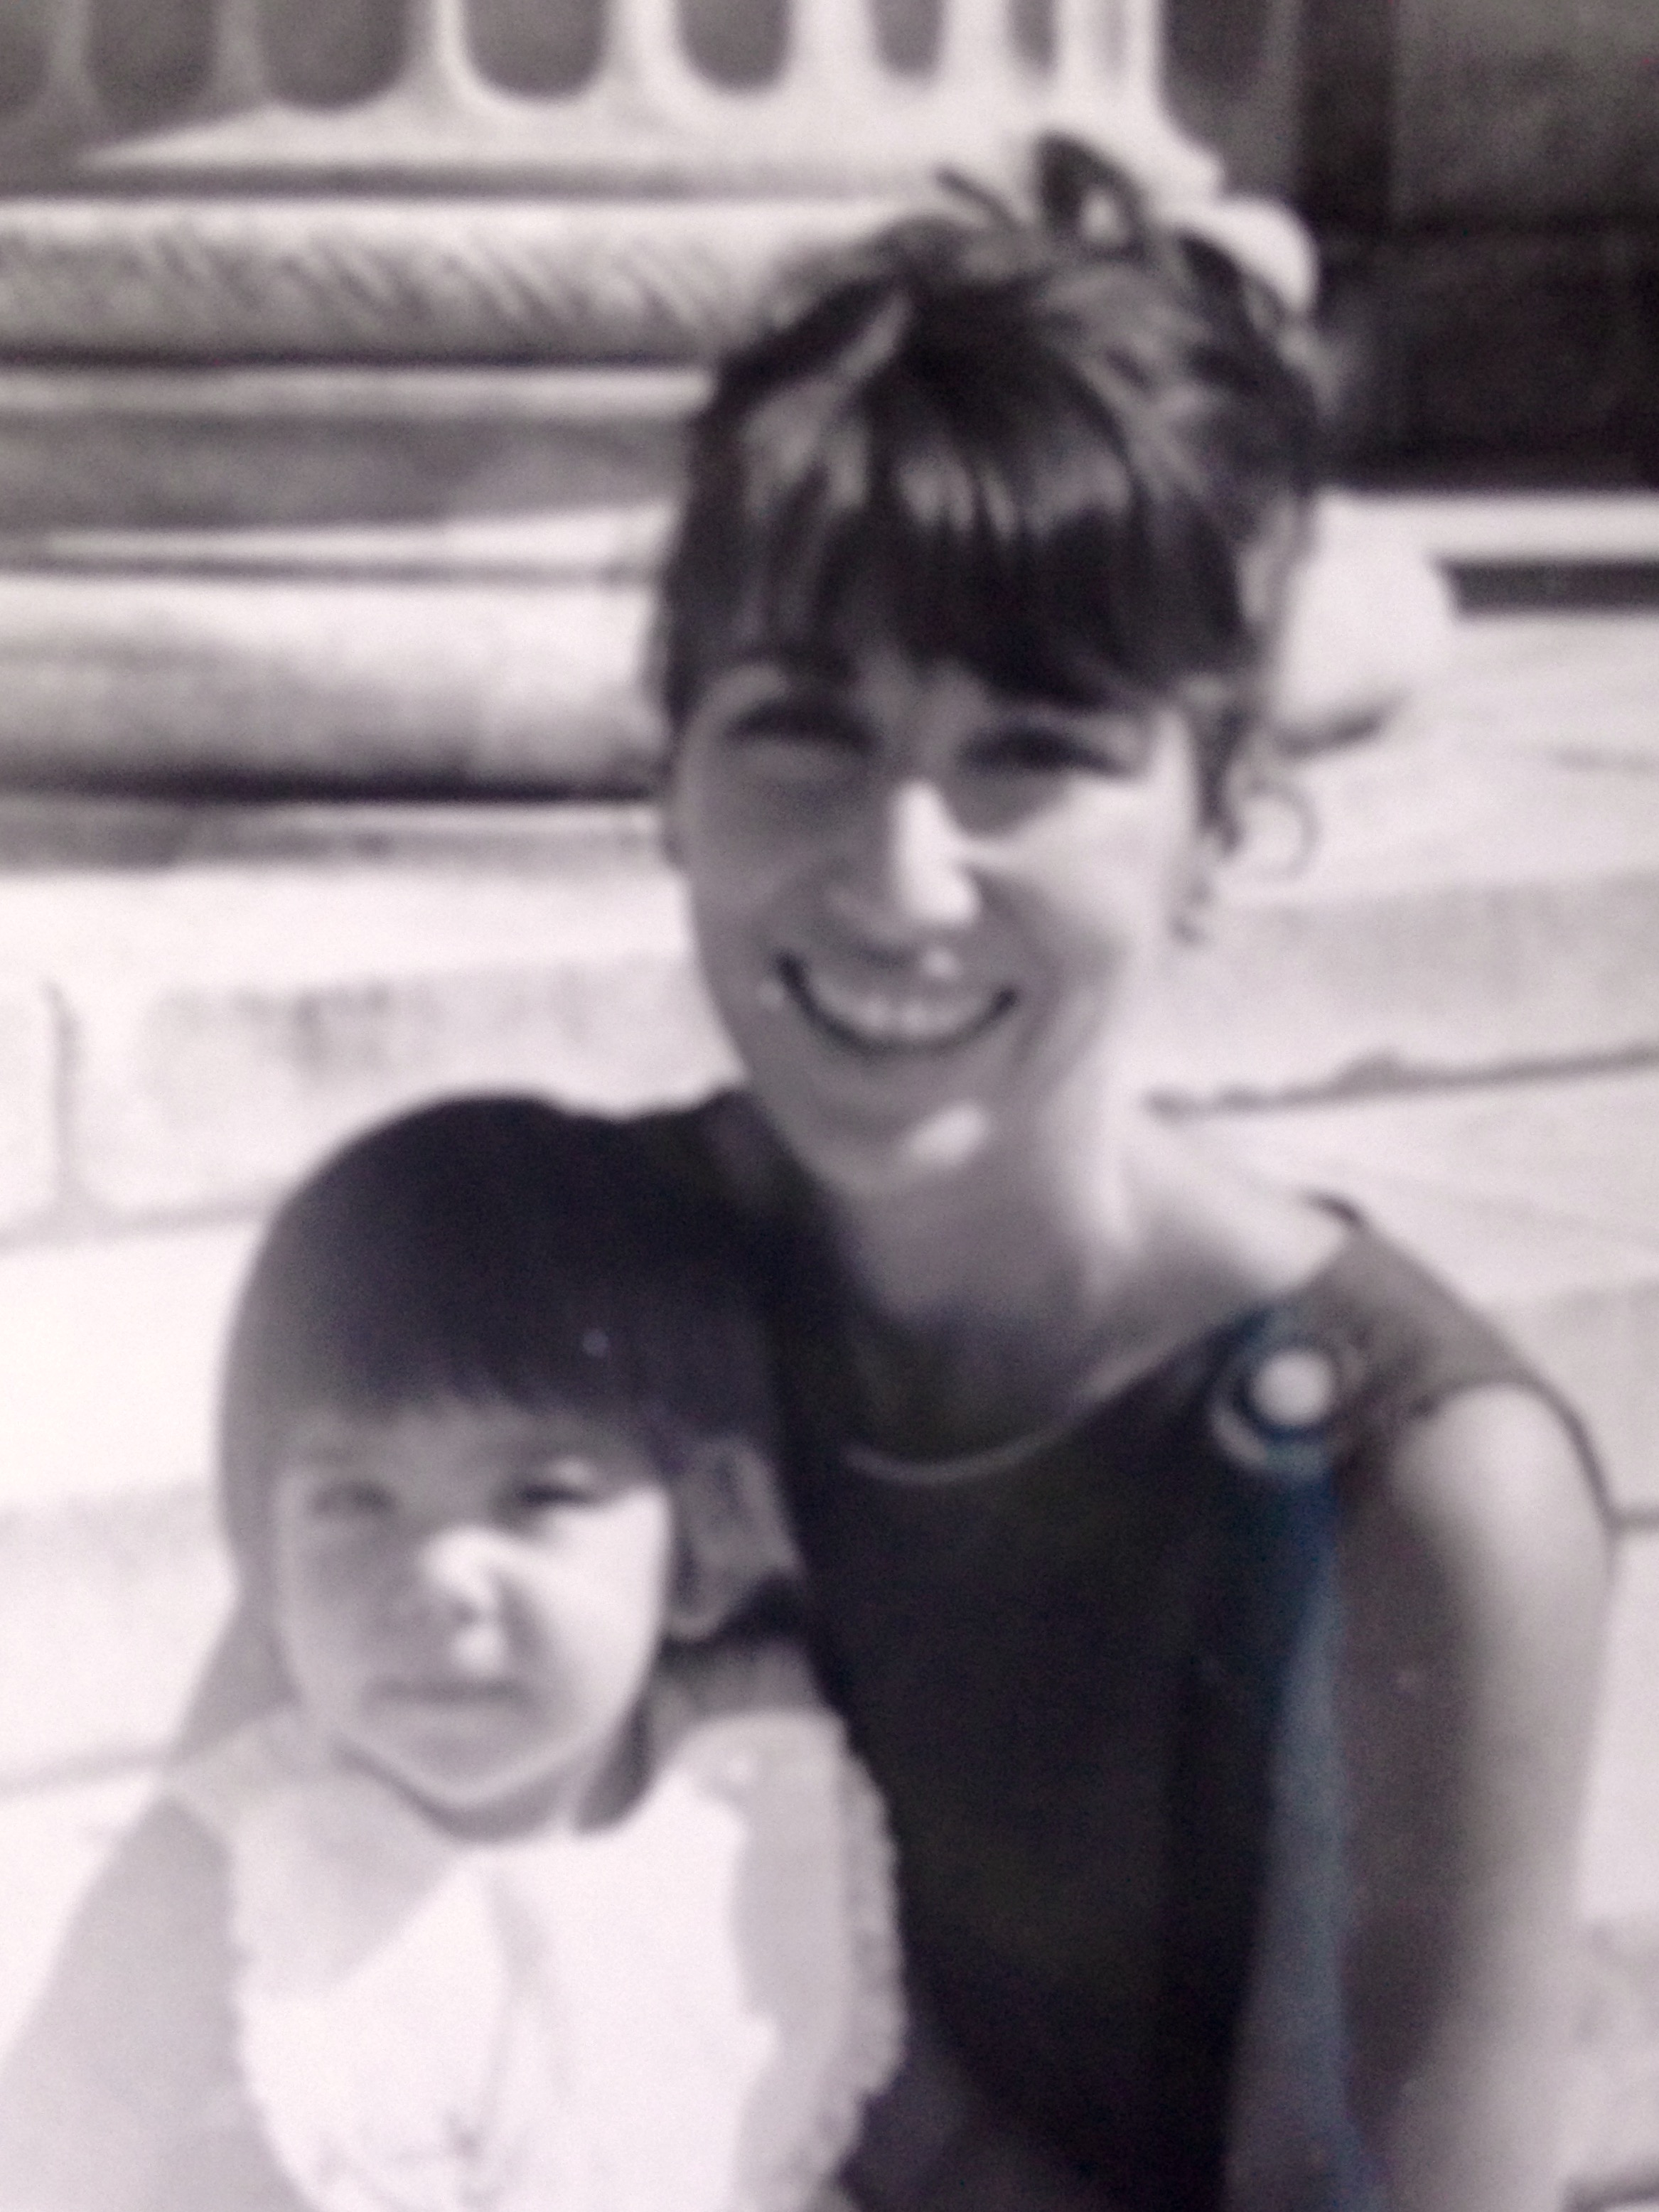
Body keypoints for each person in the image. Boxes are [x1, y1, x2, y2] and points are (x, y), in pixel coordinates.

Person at [11, 138, 1611, 2211]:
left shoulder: (1406, 1496)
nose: (898, 878)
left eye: (1033, 753)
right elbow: (156, 2027)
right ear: (666, 773)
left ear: (1217, 822)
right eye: (800, 730)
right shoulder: (525, 1297)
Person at [0, 1099, 908, 2212]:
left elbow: (945, 2155)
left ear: (705, 1544)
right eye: (356, 1501)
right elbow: (46, 2155)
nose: (435, 1581)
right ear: (265, 1566)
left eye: (536, 1497)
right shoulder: (232, 1869)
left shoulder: (752, 1806)